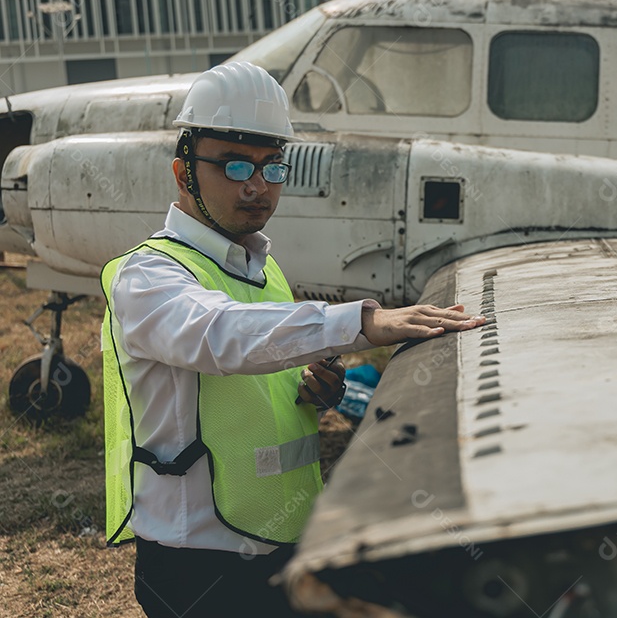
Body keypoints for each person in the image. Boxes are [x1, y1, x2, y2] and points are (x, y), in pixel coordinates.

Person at [100, 61, 484, 617]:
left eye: (271, 166)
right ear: (184, 174)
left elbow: (262, 365)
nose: (257, 186)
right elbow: (223, 335)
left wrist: (309, 391)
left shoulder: (263, 268)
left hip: (285, 540)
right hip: (201, 566)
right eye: (235, 166)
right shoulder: (146, 277)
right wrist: (362, 322)